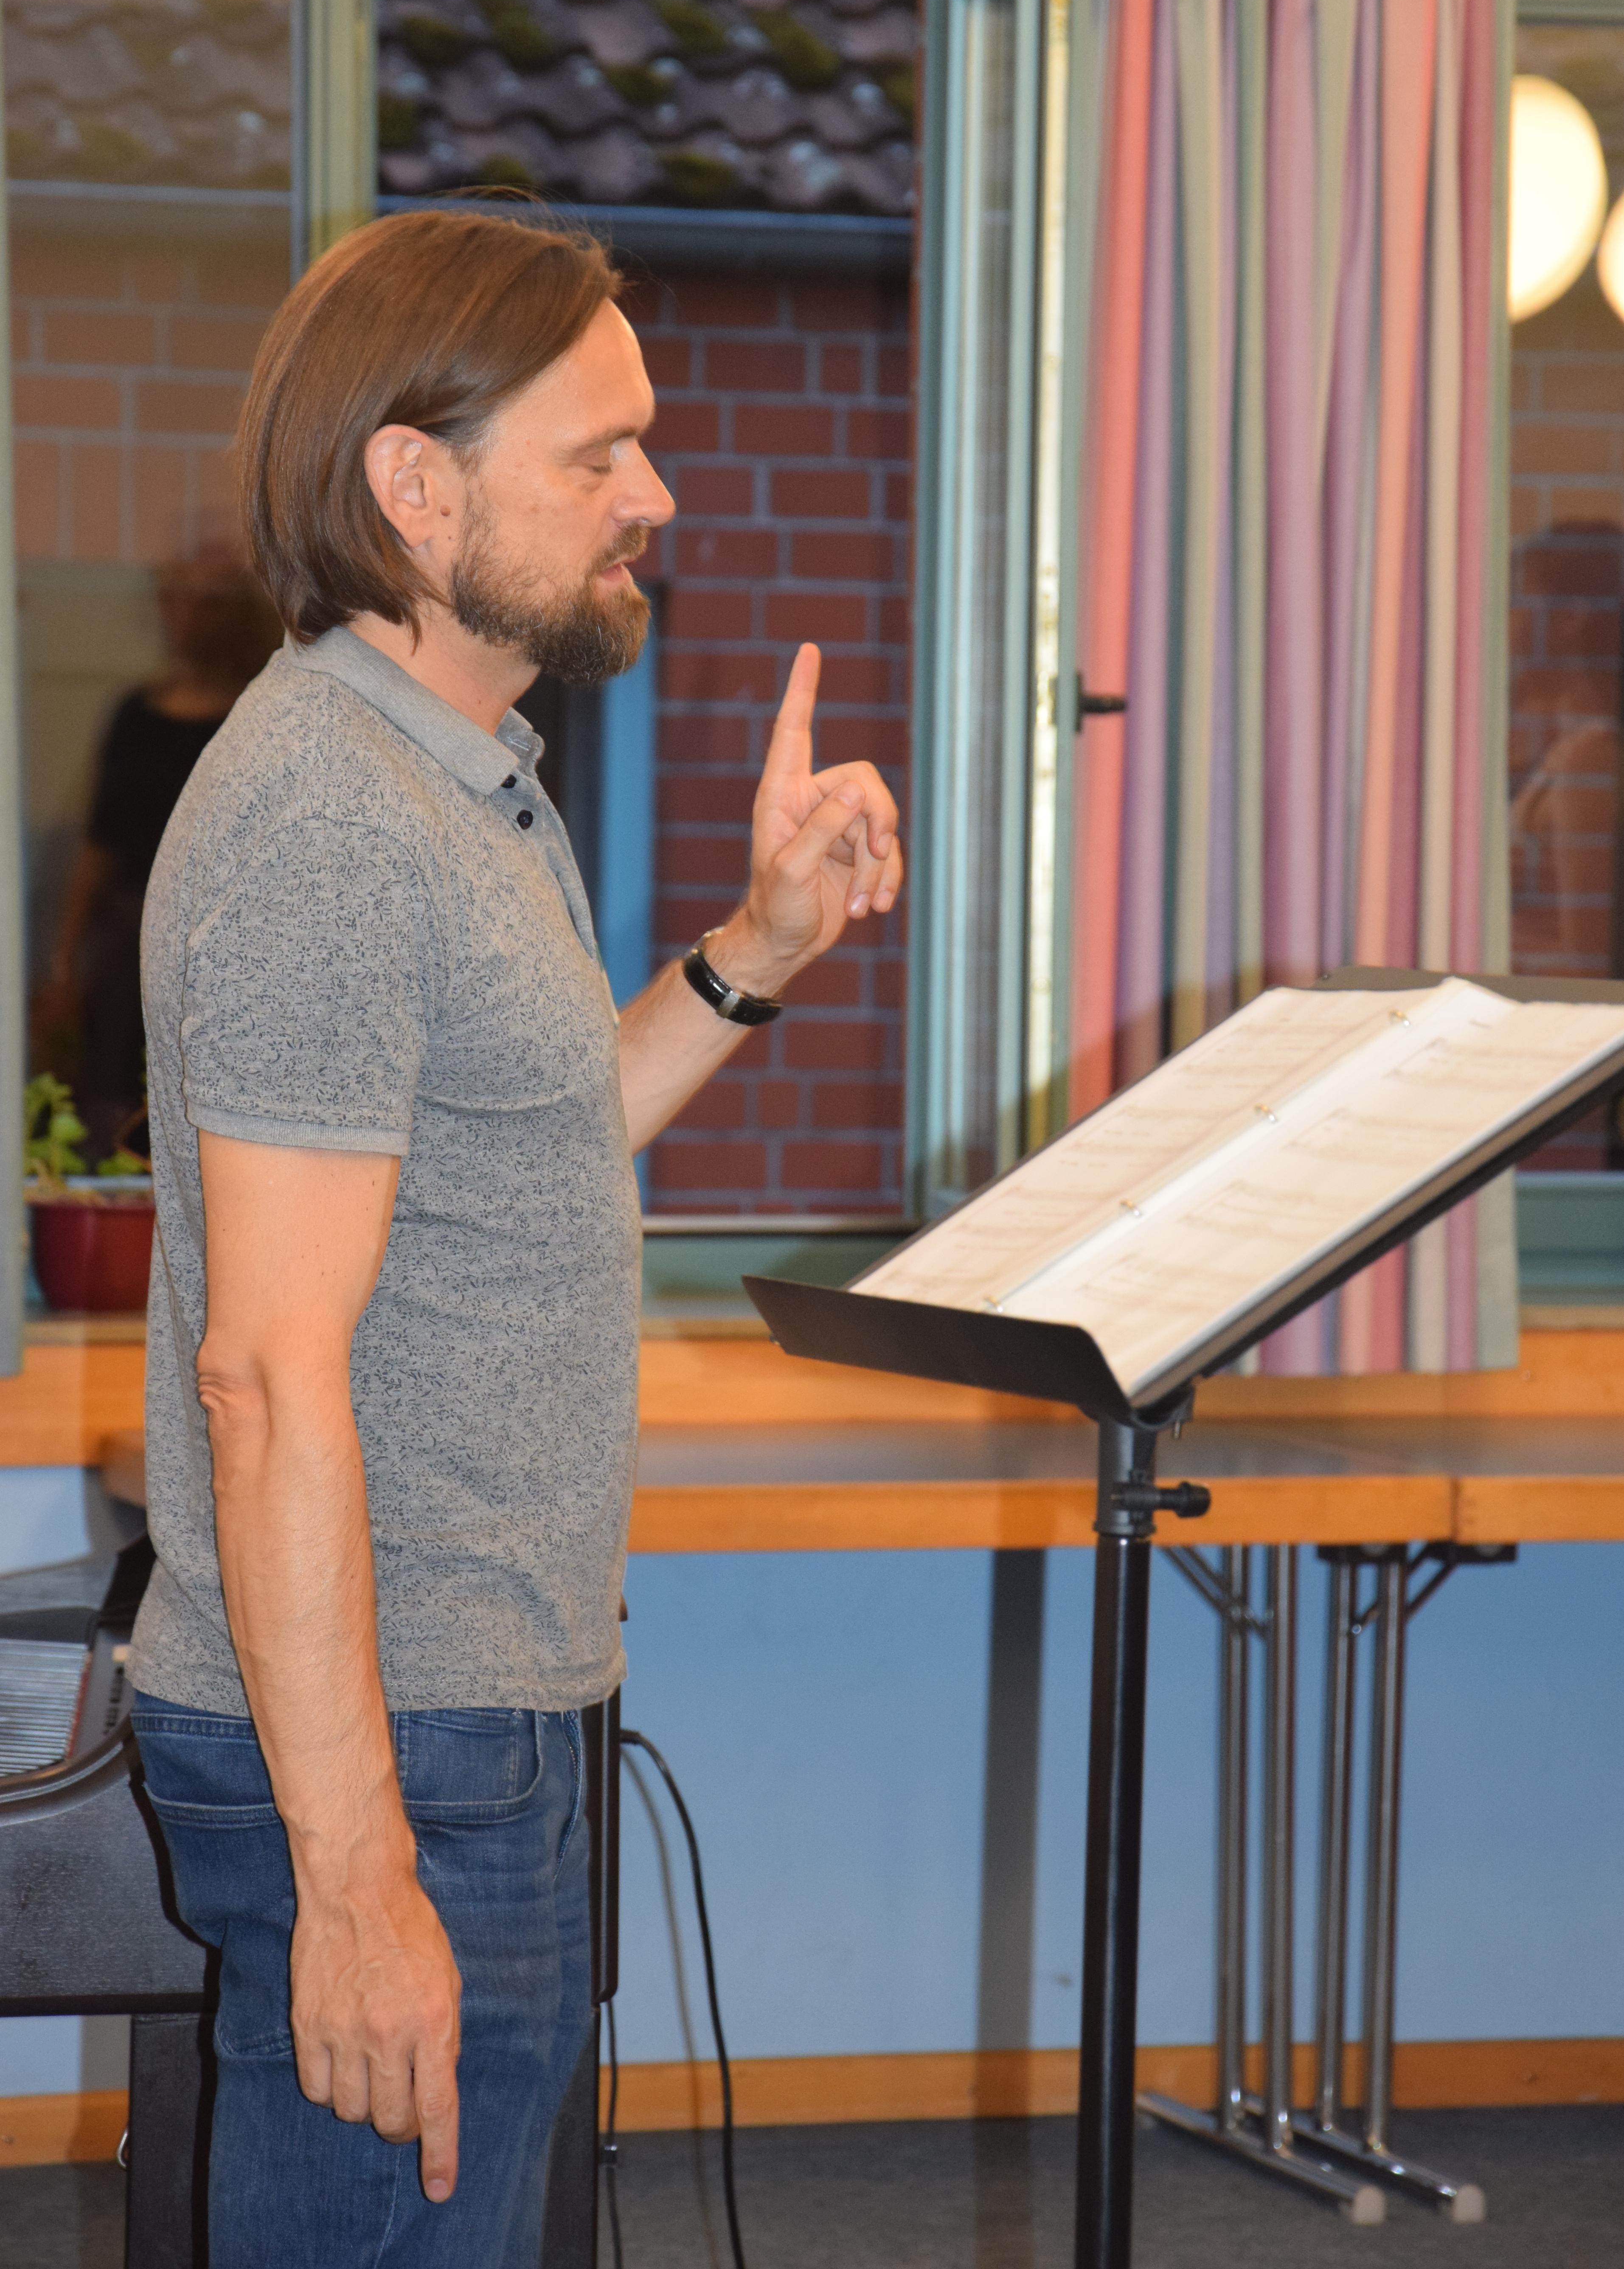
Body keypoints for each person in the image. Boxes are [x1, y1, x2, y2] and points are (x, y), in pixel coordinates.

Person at [123, 208, 903, 2266]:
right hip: (393, 1732)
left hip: (462, 1703)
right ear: (416, 484)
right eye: (600, 453)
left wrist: (757, 949)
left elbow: (533, 1140)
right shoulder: (326, 821)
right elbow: (265, 1373)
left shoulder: (459, 781)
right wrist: (355, 1871)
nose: (657, 497)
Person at [33, 543, 280, 1162]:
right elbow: (99, 846)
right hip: (130, 939)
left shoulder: (262, 716)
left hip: (228, 940)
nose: (188, 614)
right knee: (115, 1084)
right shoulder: (135, 714)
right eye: (176, 597)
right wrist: (65, 965)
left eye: (209, 601)